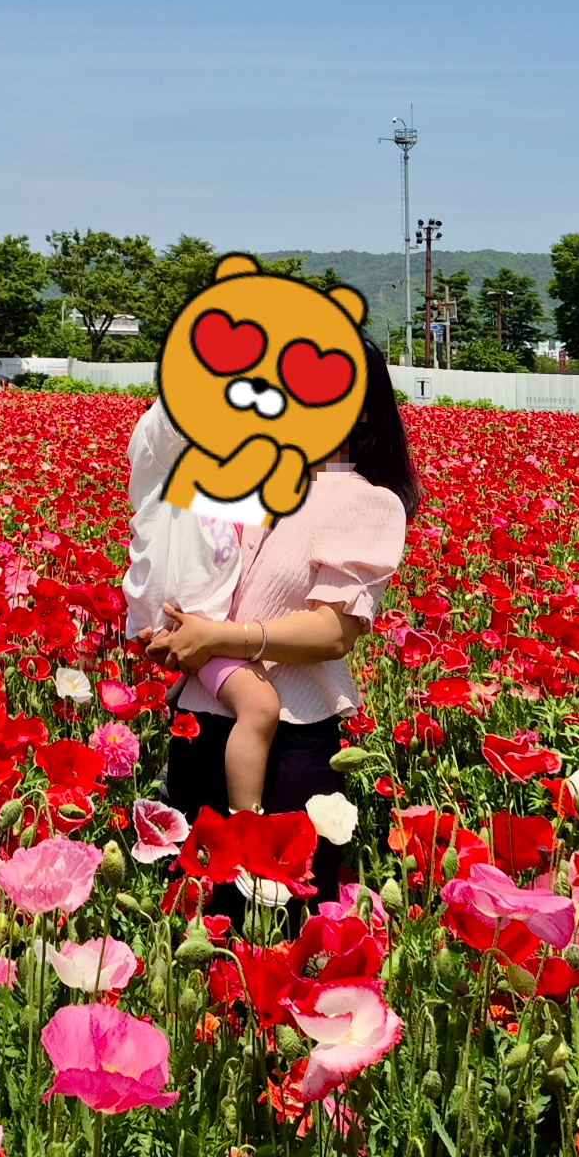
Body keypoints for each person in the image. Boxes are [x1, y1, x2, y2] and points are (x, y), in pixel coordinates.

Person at [136, 346, 419, 905]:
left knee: (282, 908)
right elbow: (187, 562)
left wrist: (221, 638)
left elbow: (335, 632)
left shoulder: (367, 501)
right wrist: (168, 628)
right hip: (200, 716)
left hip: (293, 732)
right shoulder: (247, 477)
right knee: (198, 906)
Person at [121, 399, 280, 820]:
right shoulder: (163, 455)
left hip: (203, 622)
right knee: (260, 707)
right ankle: (246, 823)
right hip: (181, 619)